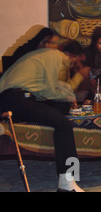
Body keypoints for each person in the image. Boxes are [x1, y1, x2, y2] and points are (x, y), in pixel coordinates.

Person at [0, 41, 90, 192]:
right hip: (15, 98)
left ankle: (67, 181)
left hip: (13, 99)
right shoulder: (55, 56)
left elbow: (54, 89)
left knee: (60, 110)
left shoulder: (46, 57)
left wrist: (68, 96)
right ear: (72, 56)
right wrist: (72, 90)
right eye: (78, 61)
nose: (77, 66)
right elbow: (49, 91)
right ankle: (67, 182)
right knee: (65, 125)